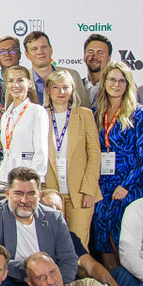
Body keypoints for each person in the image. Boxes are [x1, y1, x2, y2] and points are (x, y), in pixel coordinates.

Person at [0, 167, 138, 286]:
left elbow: (69, 259)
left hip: (50, 283)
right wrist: (31, 275)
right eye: (18, 193)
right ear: (7, 193)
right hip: (12, 280)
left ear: (39, 195)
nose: (24, 199)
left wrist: (54, 285)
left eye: (31, 194)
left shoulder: (54, 217)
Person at [88, 62, 143, 262]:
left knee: (124, 238)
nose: (116, 84)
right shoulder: (95, 114)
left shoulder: (141, 114)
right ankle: (111, 279)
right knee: (102, 235)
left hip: (128, 185)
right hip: (101, 185)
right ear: (104, 82)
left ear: (128, 85)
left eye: (121, 81)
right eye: (112, 80)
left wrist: (126, 185)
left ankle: (129, 279)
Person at [39, 68, 101, 251]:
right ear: (48, 89)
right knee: (51, 245)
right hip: (50, 190)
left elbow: (94, 154)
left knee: (79, 247)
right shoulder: (40, 115)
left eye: (65, 87)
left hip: (80, 193)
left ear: (73, 90)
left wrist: (89, 190)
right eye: (56, 87)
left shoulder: (84, 115)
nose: (61, 92)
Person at [0, 66, 50, 179]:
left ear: (29, 83)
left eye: (20, 80)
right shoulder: (6, 116)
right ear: (7, 85)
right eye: (11, 81)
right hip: (5, 178)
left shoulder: (37, 111)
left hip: (27, 179)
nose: (15, 85)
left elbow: (41, 151)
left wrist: (34, 179)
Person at [21, 31, 77, 108]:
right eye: (34, 49)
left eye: (44, 47)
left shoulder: (72, 75)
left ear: (51, 49)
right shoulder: (19, 81)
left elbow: (84, 108)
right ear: (27, 55)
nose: (40, 52)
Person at [78, 34, 113, 107]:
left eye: (100, 53)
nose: (95, 56)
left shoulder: (117, 87)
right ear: (84, 56)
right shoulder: (74, 87)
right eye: (90, 52)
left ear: (109, 58)